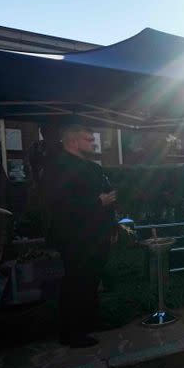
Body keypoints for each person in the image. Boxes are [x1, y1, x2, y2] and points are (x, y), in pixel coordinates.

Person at [43, 124, 116, 348]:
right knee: (76, 281)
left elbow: (108, 195)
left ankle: (90, 321)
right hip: (74, 236)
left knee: (92, 279)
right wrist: (97, 202)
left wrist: (112, 227)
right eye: (88, 140)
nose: (93, 143)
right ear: (73, 142)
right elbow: (61, 204)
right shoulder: (58, 167)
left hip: (98, 233)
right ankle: (71, 332)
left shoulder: (93, 167)